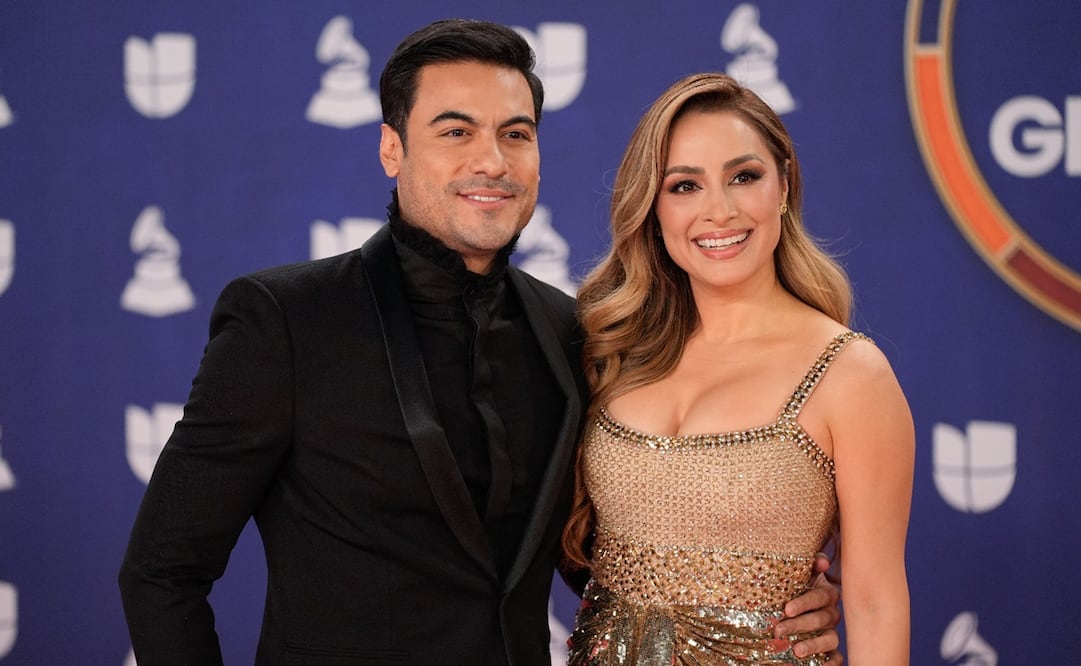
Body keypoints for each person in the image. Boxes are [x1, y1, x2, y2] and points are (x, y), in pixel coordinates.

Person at [118, 21, 844, 666]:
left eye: (515, 134)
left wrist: (760, 600)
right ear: (392, 149)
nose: (492, 161)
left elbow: (603, 553)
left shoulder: (570, 330)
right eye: (455, 132)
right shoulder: (285, 320)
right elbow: (161, 570)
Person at [561, 72, 914, 665]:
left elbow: (876, 602)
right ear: (653, 207)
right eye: (684, 186)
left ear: (783, 184)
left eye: (743, 177)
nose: (719, 211)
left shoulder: (851, 374)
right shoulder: (610, 348)